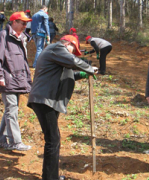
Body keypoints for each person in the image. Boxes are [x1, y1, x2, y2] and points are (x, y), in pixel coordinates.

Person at [27, 35, 97, 180]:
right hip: (44, 99)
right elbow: (72, 61)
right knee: (53, 140)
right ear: (67, 43)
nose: (72, 53)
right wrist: (89, 68)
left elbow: (67, 73)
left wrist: (83, 74)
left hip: (48, 100)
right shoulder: (56, 48)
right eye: (73, 49)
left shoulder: (56, 56)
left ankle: (50, 176)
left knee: (53, 139)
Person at [0, 12, 32, 151]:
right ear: (14, 22)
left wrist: (27, 79)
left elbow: (24, 61)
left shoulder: (22, 38)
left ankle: (1, 140)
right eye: (23, 22)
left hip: (18, 79)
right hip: (7, 79)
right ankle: (15, 142)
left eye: (26, 23)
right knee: (11, 110)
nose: (25, 25)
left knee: (10, 110)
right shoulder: (3, 36)